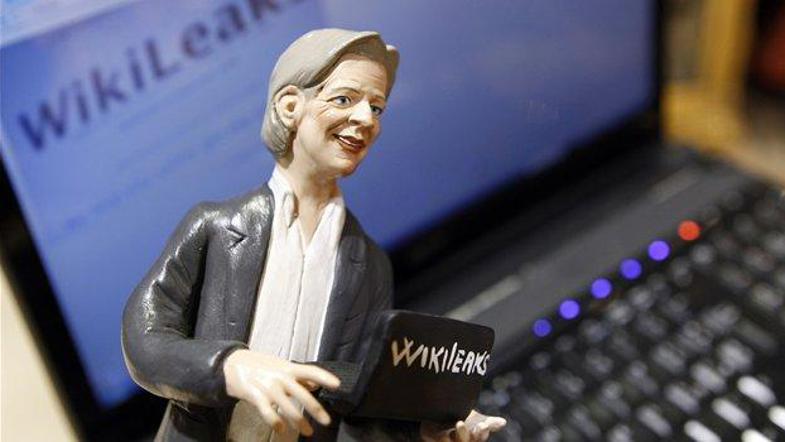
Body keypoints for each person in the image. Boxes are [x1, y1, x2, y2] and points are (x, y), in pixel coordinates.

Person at [122, 28, 504, 442]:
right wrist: (229, 365)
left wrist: (429, 423)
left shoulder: (368, 264)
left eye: (376, 107)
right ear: (290, 106)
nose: (365, 120)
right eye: (344, 99)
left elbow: (363, 391)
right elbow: (145, 338)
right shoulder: (215, 227)